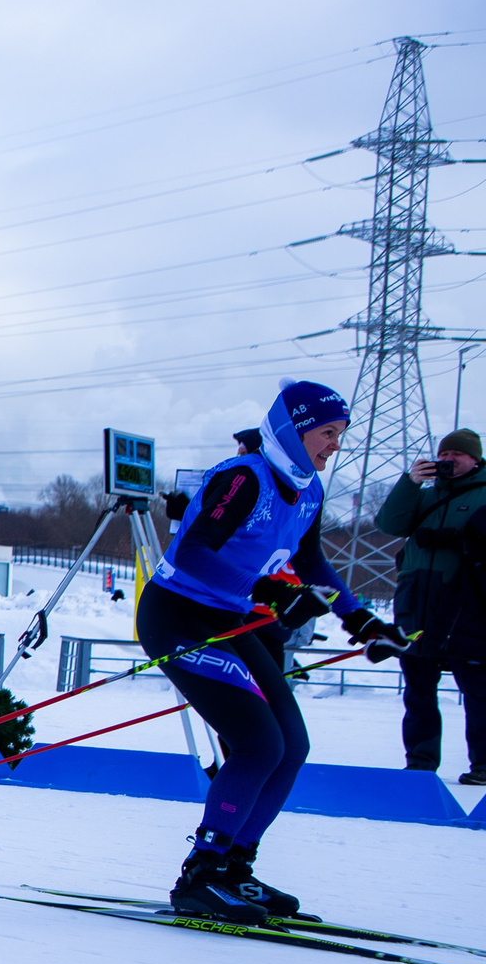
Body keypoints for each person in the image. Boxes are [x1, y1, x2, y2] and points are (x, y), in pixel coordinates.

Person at [137, 379, 410, 923]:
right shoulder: (245, 479)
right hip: (177, 618)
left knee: (292, 745)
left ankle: (234, 867)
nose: (335, 444)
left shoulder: (309, 490)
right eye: (327, 432)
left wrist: (357, 617)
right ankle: (201, 874)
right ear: (294, 429)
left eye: (340, 433)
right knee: (258, 743)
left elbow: (311, 563)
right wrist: (268, 590)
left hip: (228, 619)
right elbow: (192, 552)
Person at [375, 427, 485, 782]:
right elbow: (388, 523)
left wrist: (455, 539)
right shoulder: (424, 496)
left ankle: (483, 766)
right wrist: (410, 483)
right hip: (416, 603)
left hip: (467, 607)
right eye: (444, 454)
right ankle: (420, 763)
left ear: (475, 459)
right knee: (418, 690)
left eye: (457, 454)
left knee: (478, 690)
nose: (448, 460)